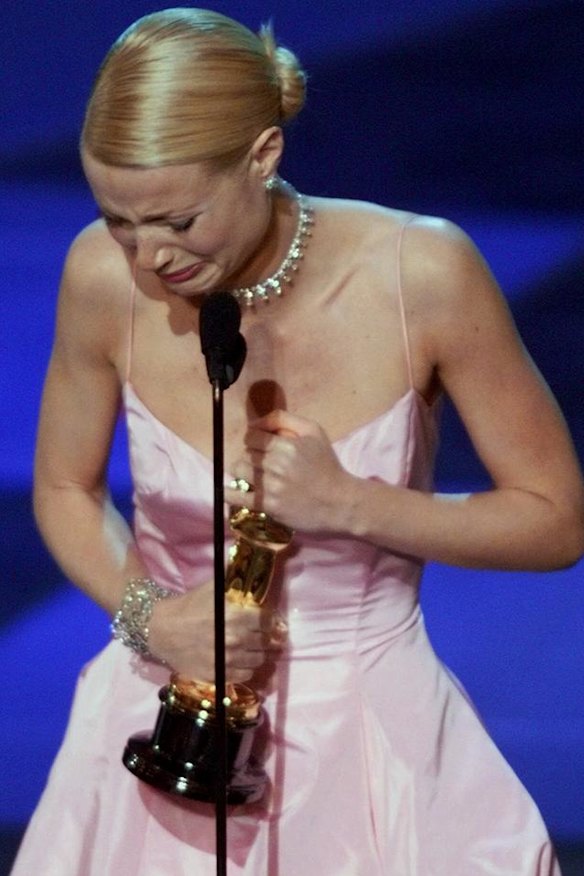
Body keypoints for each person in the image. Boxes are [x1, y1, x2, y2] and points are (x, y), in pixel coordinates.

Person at [12, 7, 584, 875]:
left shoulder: (419, 273)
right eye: (119, 221)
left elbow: (554, 521)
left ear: (264, 157)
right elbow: (63, 487)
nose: (147, 257)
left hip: (371, 744)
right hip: (162, 722)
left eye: (176, 219)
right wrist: (151, 618)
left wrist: (354, 504)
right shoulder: (99, 275)